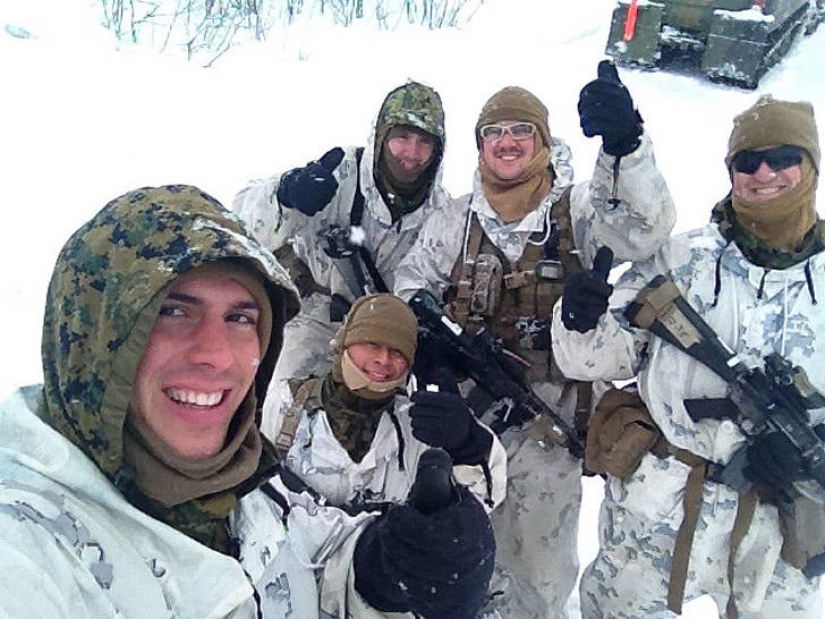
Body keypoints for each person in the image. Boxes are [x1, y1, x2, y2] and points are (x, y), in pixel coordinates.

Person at [0, 184, 496, 618]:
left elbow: (313, 562)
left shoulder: (247, 490)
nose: (216, 355)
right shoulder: (29, 549)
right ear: (92, 333)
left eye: (240, 318)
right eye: (172, 311)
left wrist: (383, 569)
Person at [393, 61, 677, 618]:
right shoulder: (455, 219)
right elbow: (410, 282)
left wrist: (626, 146)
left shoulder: (577, 211)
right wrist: (429, 346)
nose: (507, 142)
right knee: (455, 554)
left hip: (549, 422)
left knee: (538, 573)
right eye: (494, 132)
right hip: (466, 423)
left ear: (542, 142)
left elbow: (646, 227)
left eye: (521, 131)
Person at [552, 95, 824, 617]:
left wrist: (809, 455)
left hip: (782, 525)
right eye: (747, 161)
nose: (763, 173)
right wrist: (578, 319)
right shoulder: (680, 259)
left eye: (782, 157)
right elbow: (590, 361)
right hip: (659, 509)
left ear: (810, 165)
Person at [233, 80, 449, 438]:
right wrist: (285, 196)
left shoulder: (441, 211)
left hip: (386, 334)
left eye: (424, 142)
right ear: (381, 136)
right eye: (402, 137)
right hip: (317, 316)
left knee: (388, 429)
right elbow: (241, 221)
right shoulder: (340, 172)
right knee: (286, 415)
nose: (410, 153)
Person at [272, 292, 507, 516]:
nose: (383, 359)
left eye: (397, 351)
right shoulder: (282, 406)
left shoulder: (419, 428)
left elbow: (483, 503)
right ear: (344, 343)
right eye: (372, 343)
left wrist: (469, 444)